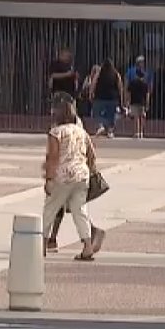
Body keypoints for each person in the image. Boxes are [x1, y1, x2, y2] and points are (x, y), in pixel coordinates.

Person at [42, 95, 105, 261]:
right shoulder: (81, 131)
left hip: (63, 176)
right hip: (81, 175)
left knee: (50, 209)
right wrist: (87, 168)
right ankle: (88, 246)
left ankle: (41, 244)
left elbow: (53, 157)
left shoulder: (56, 132)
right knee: (80, 211)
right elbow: (92, 154)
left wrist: (49, 179)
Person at [89, 59, 125, 138]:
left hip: (99, 97)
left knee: (97, 113)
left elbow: (93, 84)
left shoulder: (99, 73)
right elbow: (120, 87)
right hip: (112, 98)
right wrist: (121, 100)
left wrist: (91, 94)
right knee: (111, 115)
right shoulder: (116, 74)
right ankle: (110, 131)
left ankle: (101, 125)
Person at [127, 68, 150, 139]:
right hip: (142, 102)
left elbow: (129, 93)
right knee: (142, 117)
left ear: (136, 74)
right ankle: (141, 132)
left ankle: (136, 132)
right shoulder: (145, 84)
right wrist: (147, 103)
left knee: (136, 118)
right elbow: (147, 95)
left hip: (134, 101)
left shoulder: (132, 83)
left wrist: (127, 101)